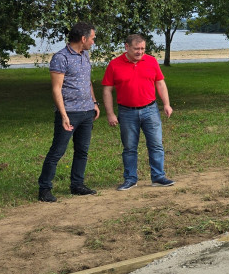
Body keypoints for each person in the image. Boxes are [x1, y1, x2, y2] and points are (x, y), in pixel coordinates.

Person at [101, 34, 175, 190]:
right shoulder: (114, 65)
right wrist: (110, 113)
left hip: (150, 110)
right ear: (127, 47)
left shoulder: (151, 61)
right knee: (129, 148)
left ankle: (158, 176)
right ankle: (130, 179)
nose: (140, 52)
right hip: (127, 112)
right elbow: (107, 90)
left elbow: (160, 83)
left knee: (156, 145)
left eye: (142, 48)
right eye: (136, 48)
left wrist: (166, 104)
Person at [37, 22, 99, 202]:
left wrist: (94, 102)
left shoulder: (85, 55)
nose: (93, 42)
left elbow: (87, 82)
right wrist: (63, 115)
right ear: (83, 38)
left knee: (82, 151)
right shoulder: (60, 57)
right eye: (93, 38)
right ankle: (45, 188)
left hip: (87, 111)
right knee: (57, 151)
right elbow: (56, 89)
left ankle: (77, 185)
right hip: (69, 113)